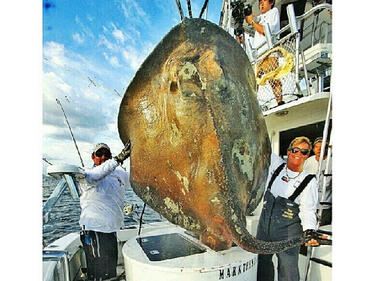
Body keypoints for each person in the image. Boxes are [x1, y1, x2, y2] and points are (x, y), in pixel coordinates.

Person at [256, 136, 320, 281]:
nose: (298, 154)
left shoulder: (309, 181)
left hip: (288, 235)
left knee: (288, 272)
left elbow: (308, 210)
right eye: (295, 150)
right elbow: (261, 146)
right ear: (289, 151)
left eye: (304, 152)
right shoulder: (276, 165)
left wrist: (309, 230)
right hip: (264, 231)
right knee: (262, 266)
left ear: (307, 155)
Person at [78, 141, 131, 281]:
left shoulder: (120, 174)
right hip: (94, 230)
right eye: (99, 154)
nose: (103, 157)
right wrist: (119, 158)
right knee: (99, 276)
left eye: (106, 154)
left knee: (110, 273)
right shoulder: (86, 174)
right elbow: (97, 174)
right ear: (92, 156)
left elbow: (139, 179)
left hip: (111, 230)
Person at [244, 0, 284, 105]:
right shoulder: (260, 18)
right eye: (260, 2)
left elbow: (264, 30)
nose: (261, 4)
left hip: (269, 53)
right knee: (253, 83)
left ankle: (280, 102)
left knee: (273, 79)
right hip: (258, 56)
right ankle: (252, 106)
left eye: (264, 1)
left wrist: (252, 22)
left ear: (271, 2)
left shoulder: (273, 12)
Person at [304, 137, 332, 226]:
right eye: (317, 147)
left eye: (322, 147)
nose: (319, 149)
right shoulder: (309, 161)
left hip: (325, 207)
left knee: (321, 231)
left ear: (327, 148)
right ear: (313, 149)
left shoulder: (332, 162)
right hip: (309, 205)